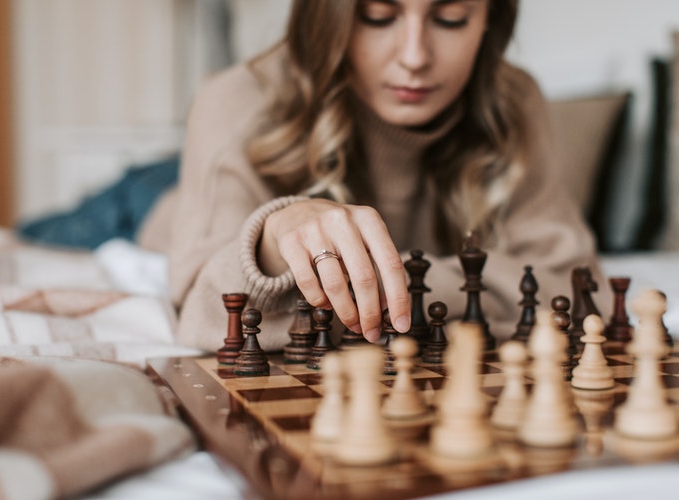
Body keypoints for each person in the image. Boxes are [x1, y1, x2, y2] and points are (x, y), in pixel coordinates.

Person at [161, 0, 610, 352]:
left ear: (491, 19)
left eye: (451, 18)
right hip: (155, 209)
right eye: (376, 16)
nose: (414, 56)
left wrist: (389, 284)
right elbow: (203, 314)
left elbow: (579, 290)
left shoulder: (513, 100)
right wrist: (275, 239)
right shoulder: (232, 98)